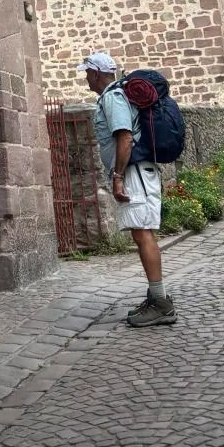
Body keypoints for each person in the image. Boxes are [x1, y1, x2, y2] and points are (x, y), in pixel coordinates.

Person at [79, 51, 176, 327]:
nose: (86, 78)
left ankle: (161, 304)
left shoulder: (112, 97)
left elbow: (124, 136)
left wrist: (118, 176)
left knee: (143, 234)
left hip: (133, 172)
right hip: (138, 172)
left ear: (97, 73)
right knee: (142, 233)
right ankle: (156, 297)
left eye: (87, 73)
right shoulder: (115, 95)